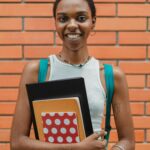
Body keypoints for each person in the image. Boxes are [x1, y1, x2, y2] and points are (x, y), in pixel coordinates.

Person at [10, 0, 135, 149]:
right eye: (63, 19)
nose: (72, 25)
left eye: (81, 18)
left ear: (93, 22)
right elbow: (17, 143)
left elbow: (127, 140)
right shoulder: (36, 72)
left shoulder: (111, 76)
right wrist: (75, 148)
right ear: (55, 22)